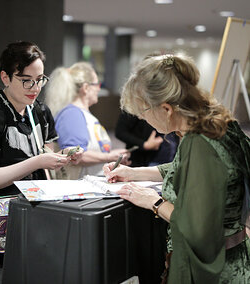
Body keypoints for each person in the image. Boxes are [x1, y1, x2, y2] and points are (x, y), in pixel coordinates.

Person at [103, 54, 250, 283]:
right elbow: (187, 167)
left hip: (216, 269)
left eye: (143, 113)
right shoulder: (216, 124)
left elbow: (196, 228)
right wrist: (135, 172)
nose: (143, 119)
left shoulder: (199, 142)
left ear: (166, 109)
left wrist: (154, 201)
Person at [0, 41, 83, 282]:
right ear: (5, 77)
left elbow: (44, 154)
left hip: (31, 214)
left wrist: (60, 158)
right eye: (26, 80)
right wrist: (37, 161)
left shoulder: (40, 111)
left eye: (40, 79)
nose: (34, 87)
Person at [45, 62, 129, 179]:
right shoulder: (72, 114)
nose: (99, 89)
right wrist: (110, 157)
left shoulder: (80, 113)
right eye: (97, 84)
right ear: (85, 88)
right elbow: (76, 156)